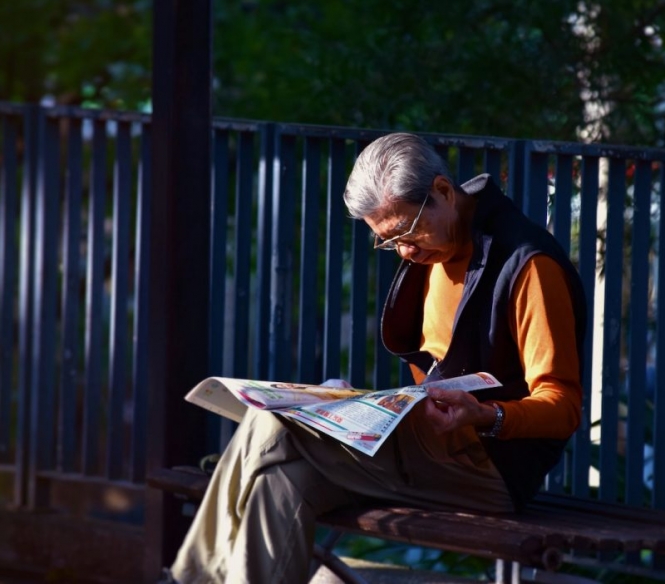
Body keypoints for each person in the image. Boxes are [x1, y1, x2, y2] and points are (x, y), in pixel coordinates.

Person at [163, 132, 586, 584]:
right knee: (281, 480)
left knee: (270, 423)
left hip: (488, 469)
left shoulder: (528, 267)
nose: (404, 251)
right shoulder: (434, 250)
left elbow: (563, 407)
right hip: (425, 451)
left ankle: (185, 580)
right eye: (388, 242)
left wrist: (485, 414)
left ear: (443, 191)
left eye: (405, 232)